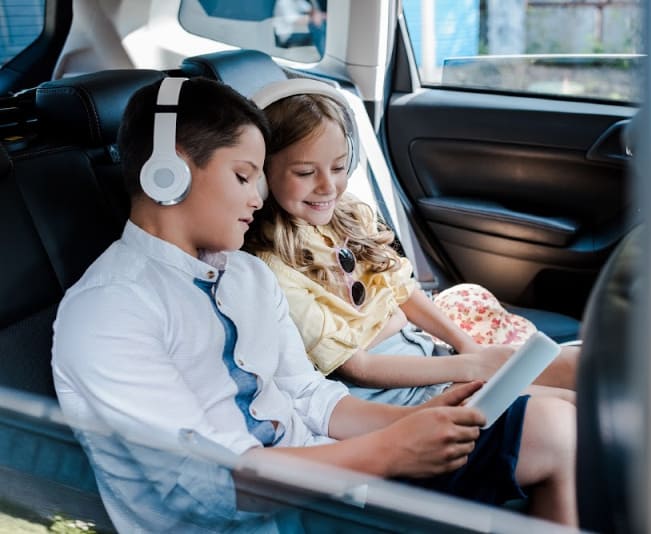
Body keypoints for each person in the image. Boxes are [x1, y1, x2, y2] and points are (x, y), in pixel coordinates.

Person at [51, 76, 577, 532]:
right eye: (242, 175)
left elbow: (309, 395)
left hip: (336, 486)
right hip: (268, 518)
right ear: (171, 172)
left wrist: (411, 422)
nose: (257, 198)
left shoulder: (247, 277)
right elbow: (210, 490)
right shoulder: (108, 311)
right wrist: (389, 452)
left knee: (554, 429)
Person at [244, 80, 579, 408]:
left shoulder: (348, 214)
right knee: (567, 406)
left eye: (338, 167)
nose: (328, 186)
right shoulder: (273, 269)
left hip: (429, 353)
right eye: (305, 172)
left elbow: (400, 290)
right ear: (261, 173)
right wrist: (471, 367)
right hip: (396, 392)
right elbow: (358, 367)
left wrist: (468, 347)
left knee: (580, 369)